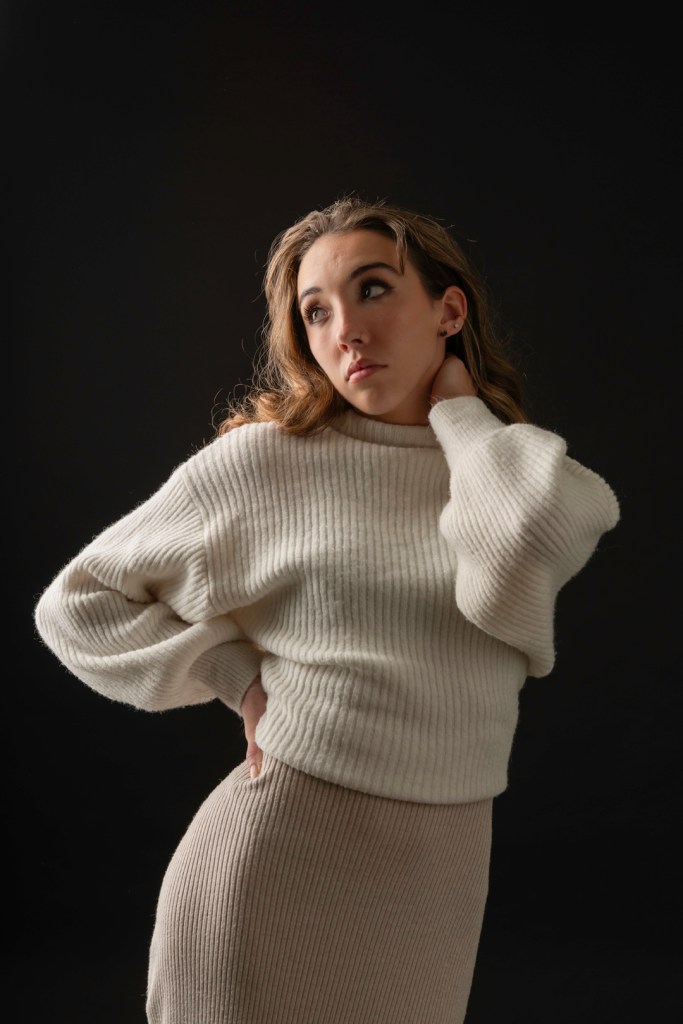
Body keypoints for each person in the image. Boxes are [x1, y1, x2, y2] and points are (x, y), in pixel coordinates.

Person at [33, 195, 620, 1024]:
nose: (344, 328)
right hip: (273, 867)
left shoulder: (503, 466)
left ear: (448, 308)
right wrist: (230, 675)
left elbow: (526, 540)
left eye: (372, 289)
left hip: (437, 884)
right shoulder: (265, 465)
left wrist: (458, 412)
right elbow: (77, 602)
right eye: (315, 312)